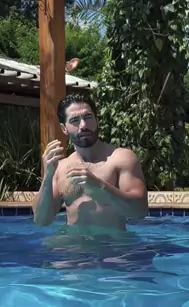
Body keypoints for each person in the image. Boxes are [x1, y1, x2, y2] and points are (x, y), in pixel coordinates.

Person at [32, 93, 148, 232]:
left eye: (88, 117)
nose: (83, 125)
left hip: (111, 244)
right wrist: (48, 176)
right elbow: (41, 221)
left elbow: (140, 212)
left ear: (97, 121)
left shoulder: (121, 158)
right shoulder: (60, 168)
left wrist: (99, 186)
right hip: (73, 244)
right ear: (64, 129)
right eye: (75, 120)